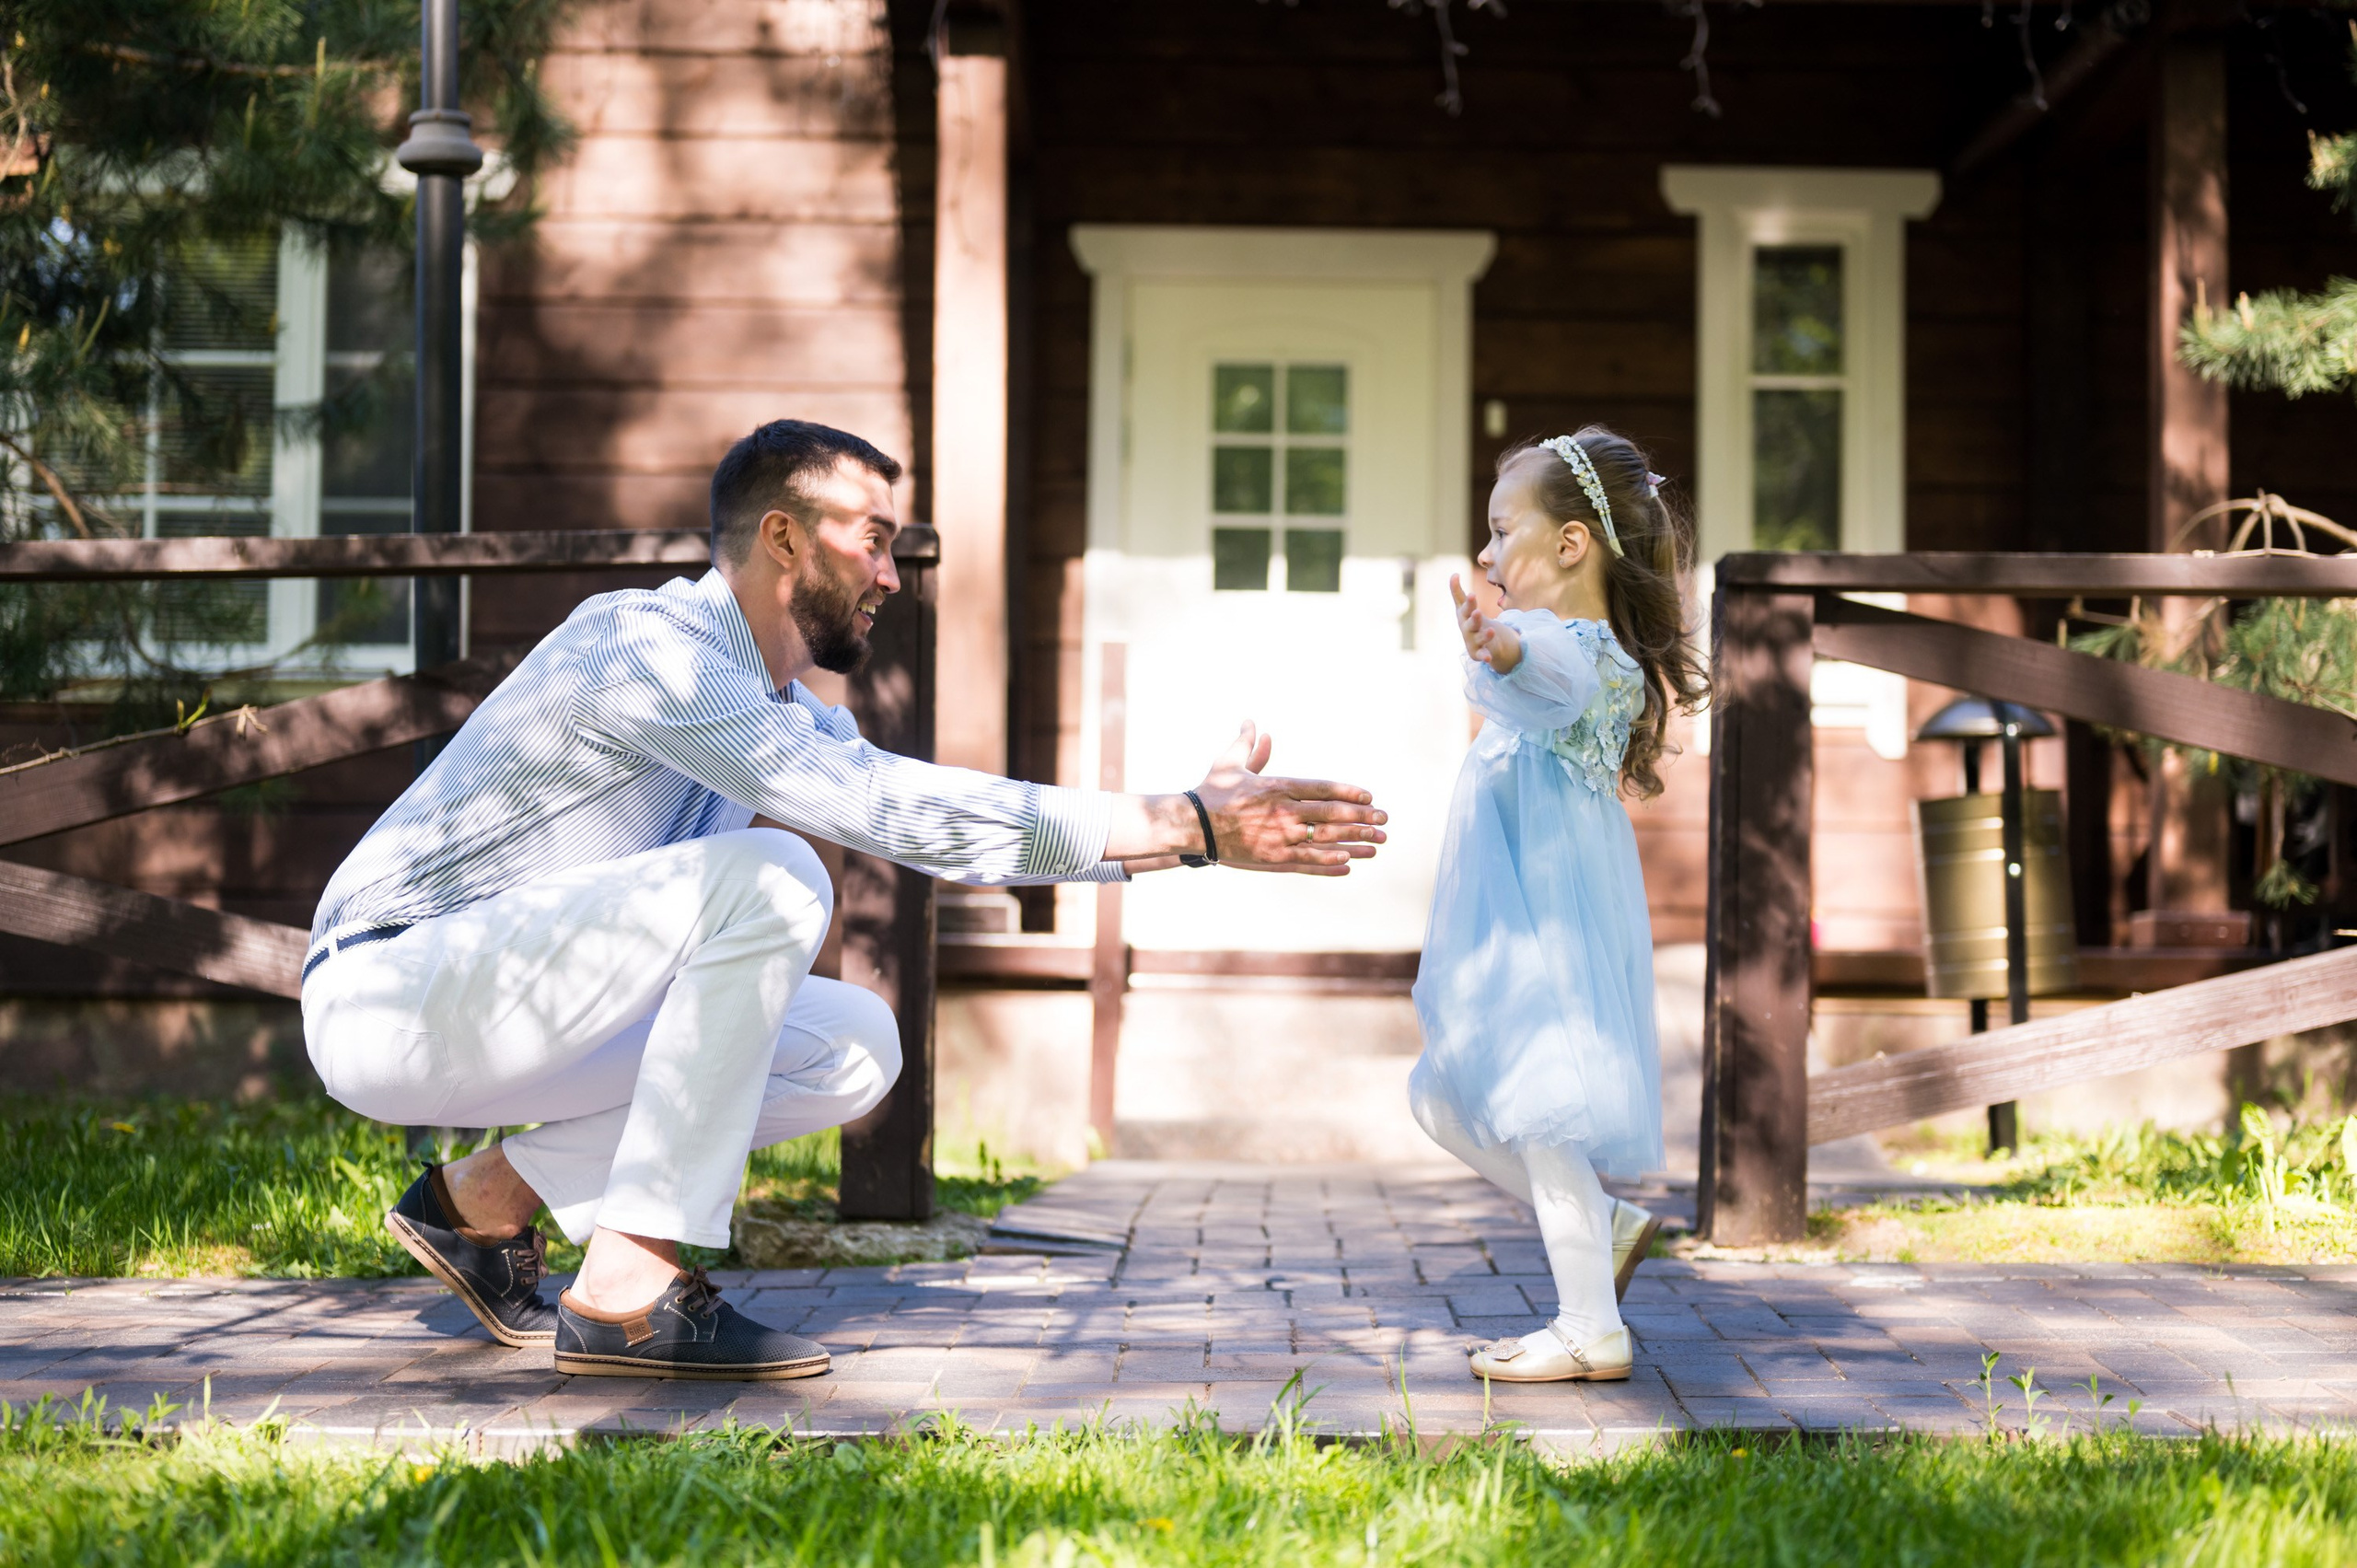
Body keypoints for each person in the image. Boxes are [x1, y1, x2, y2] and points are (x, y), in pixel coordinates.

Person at [302, 419, 1387, 1380]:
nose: (891, 575)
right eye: (872, 539)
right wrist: (1180, 819)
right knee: (772, 876)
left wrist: (1191, 839)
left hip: (518, 1004)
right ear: (783, 537)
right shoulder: (644, 650)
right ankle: (628, 1291)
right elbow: (876, 806)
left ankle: (482, 1200)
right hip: (394, 991)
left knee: (854, 1043)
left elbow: (926, 818)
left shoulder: (776, 703)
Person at [1409, 427, 1707, 1384]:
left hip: (1550, 916)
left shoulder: (1574, 646)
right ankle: (1603, 1221)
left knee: (1542, 1113)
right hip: (1516, 912)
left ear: (1571, 543)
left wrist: (1498, 647)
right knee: (1436, 1095)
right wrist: (1504, 647)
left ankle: (1591, 1326)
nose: (1486, 552)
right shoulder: (1570, 641)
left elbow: (1547, 674)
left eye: (1503, 531)